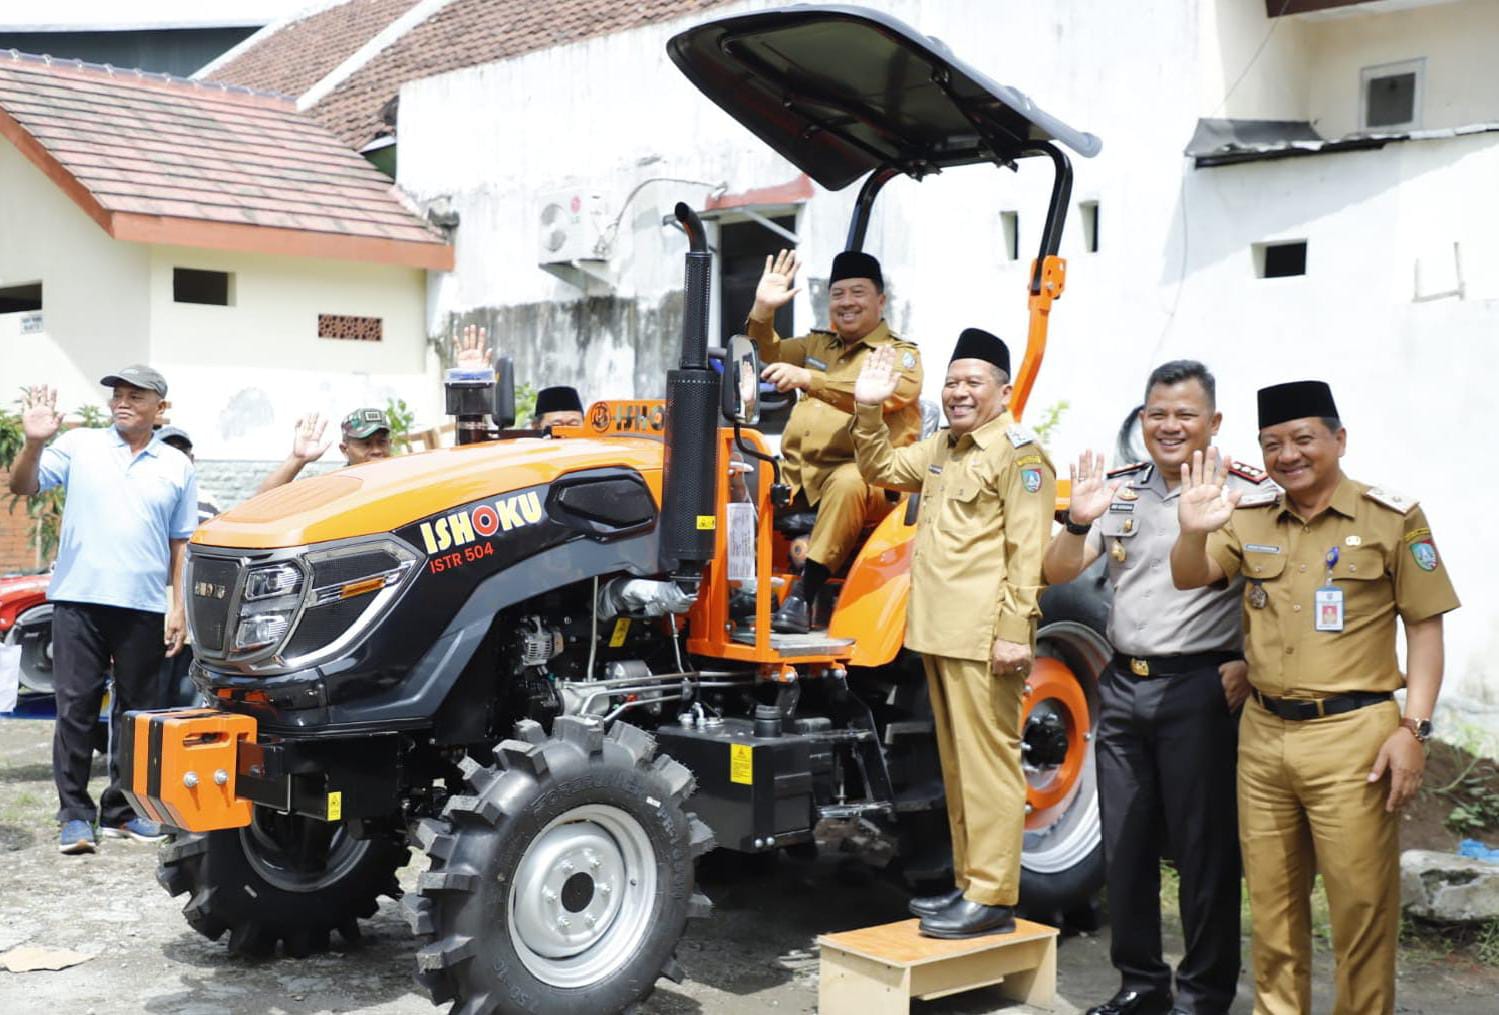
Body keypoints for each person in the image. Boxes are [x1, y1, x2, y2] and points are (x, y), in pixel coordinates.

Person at [1170, 381, 1459, 1015]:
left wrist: (1414, 729)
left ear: (1338, 439)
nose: (1288, 455)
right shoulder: (1248, 517)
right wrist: (1192, 530)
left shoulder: (1392, 517)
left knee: (1360, 912)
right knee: (1272, 913)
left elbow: (1426, 624)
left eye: (1303, 439)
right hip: (1264, 735)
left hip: (1355, 738)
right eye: (1272, 444)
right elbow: (1190, 574)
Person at [1043, 361, 1270, 1015]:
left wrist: (1251, 663)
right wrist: (1077, 523)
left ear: (1214, 423)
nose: (1168, 426)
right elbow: (1053, 568)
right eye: (1156, 414)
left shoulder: (1246, 494)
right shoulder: (1119, 491)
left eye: (1184, 414)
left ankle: (1201, 995)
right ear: (1141, 420)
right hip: (1120, 685)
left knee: (1204, 852)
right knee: (1126, 844)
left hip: (1200, 689)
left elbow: (1276, 590)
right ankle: (1140, 981)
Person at [850, 328, 1054, 939]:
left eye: (973, 383)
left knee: (989, 766)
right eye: (952, 382)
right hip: (938, 632)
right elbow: (879, 465)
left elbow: (1029, 552)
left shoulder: (1019, 455)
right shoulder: (942, 445)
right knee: (957, 768)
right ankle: (970, 885)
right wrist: (867, 405)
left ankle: (993, 896)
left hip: (986, 637)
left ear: (1004, 391)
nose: (959, 393)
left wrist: (1016, 632)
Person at [8, 368, 196, 854]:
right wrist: (33, 443)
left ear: (161, 408)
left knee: (138, 714)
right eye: (117, 394)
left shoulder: (176, 466)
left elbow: (180, 545)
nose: (123, 402)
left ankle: (122, 811)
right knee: (76, 708)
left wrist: (178, 607)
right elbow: (23, 485)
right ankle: (74, 814)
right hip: (78, 601)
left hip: (143, 607)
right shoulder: (80, 445)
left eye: (136, 395)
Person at [255, 408, 388, 493]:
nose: (376, 451)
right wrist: (296, 460)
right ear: (344, 449)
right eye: (366, 444)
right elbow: (259, 504)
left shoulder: (401, 480)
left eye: (382, 442)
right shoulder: (331, 486)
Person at [155, 426, 222, 523]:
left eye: (182, 452)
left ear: (192, 459)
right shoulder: (141, 499)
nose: (175, 457)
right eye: (168, 450)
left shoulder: (208, 504)